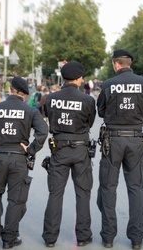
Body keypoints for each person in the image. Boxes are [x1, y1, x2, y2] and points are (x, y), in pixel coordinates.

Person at [0, 76, 48, 249]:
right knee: (16, 200)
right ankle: (9, 239)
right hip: (19, 159)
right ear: (25, 94)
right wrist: (31, 149)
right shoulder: (30, 111)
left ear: (11, 90)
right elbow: (43, 131)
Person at [97, 49, 143, 249]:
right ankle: (136, 238)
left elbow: (101, 110)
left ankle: (108, 237)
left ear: (115, 64)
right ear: (130, 63)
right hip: (136, 139)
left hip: (113, 139)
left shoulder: (109, 84)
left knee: (109, 188)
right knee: (136, 188)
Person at [42, 61, 96, 247]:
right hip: (81, 149)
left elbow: (46, 116)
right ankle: (83, 236)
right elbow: (89, 123)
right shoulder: (88, 100)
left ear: (64, 78)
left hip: (59, 148)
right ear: (79, 78)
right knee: (83, 193)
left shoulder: (50, 98)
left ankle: (50, 238)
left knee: (55, 194)